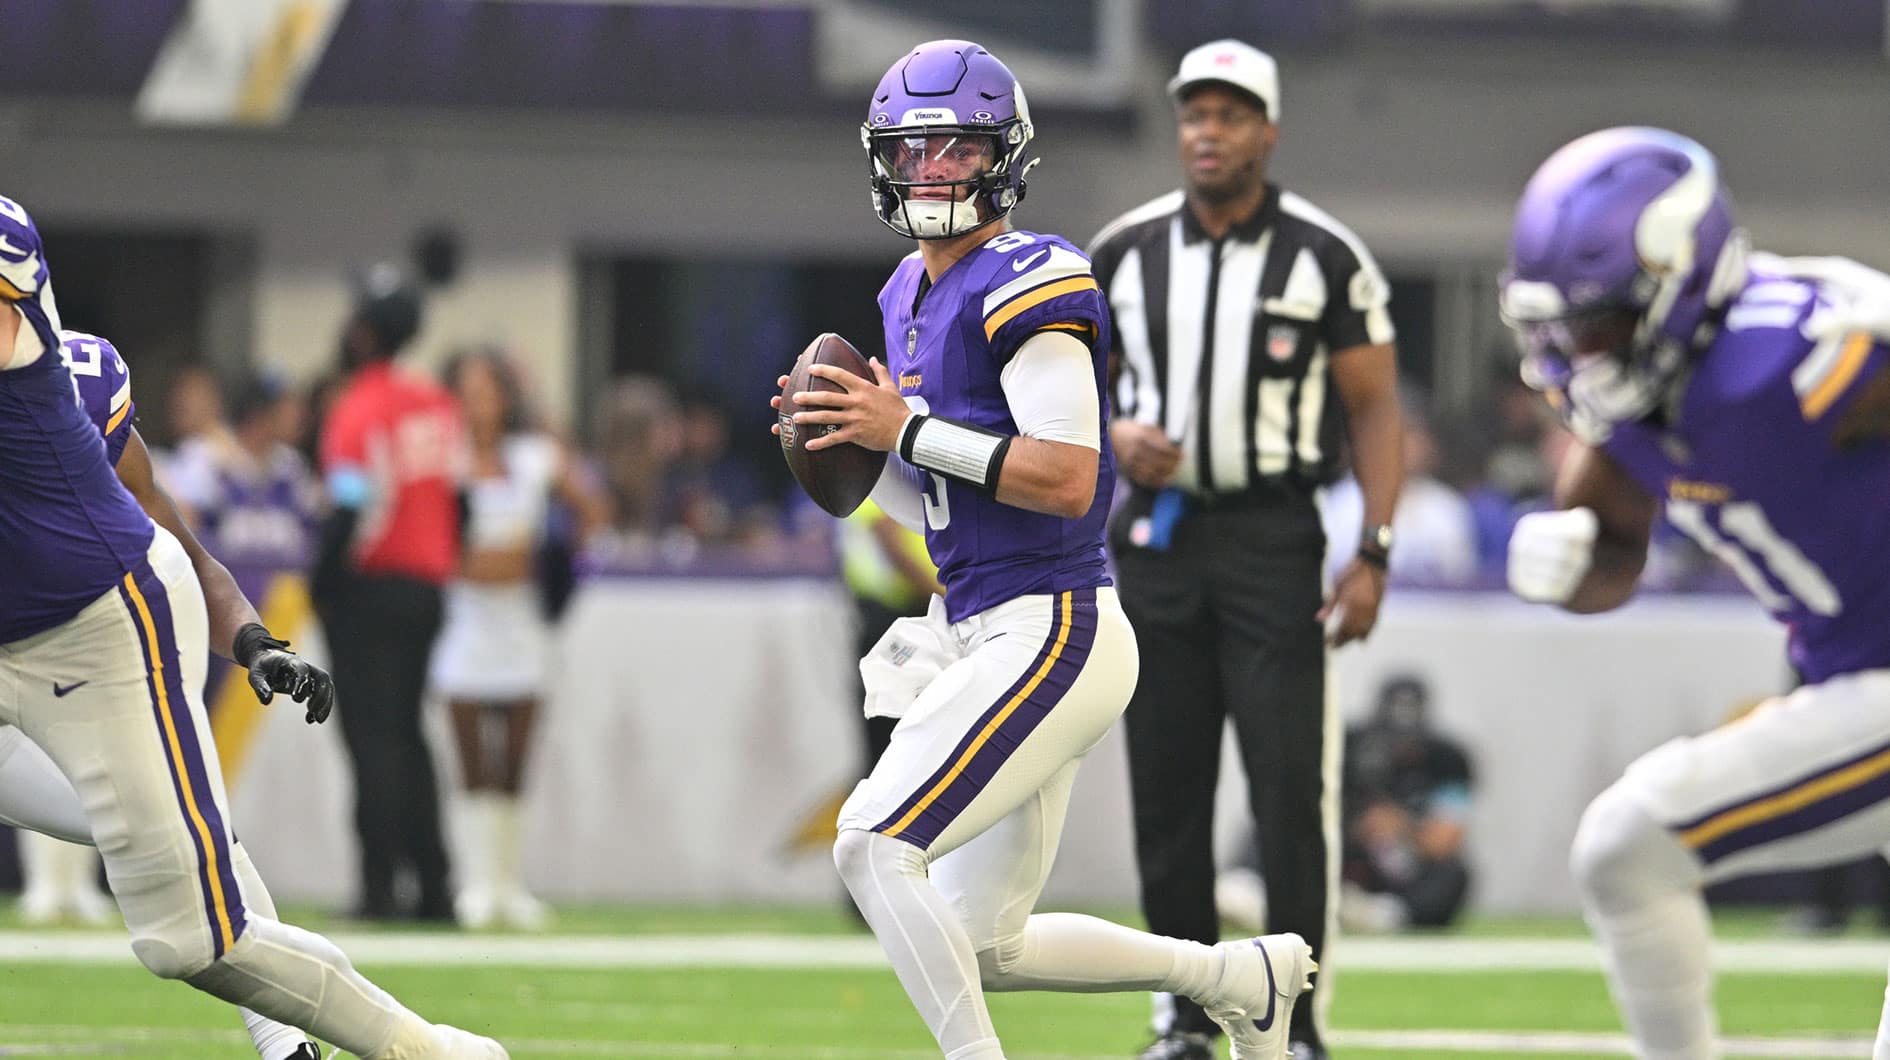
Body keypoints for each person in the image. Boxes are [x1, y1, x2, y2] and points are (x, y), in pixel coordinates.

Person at [772, 40, 1313, 1060]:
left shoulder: (1033, 273)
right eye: (914, 149)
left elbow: (1068, 475)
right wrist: (854, 441)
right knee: (985, 943)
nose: (933, 170)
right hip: (986, 626)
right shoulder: (905, 289)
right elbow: (931, 487)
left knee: (872, 843)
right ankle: (1240, 977)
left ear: (1004, 155)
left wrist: (903, 429)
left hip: (1055, 623)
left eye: (957, 147)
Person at [0, 200, 505, 1058]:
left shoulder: (62, 348)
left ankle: (422, 1050)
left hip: (95, 630)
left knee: (187, 936)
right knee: (201, 855)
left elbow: (170, 533)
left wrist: (251, 638)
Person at [1499, 127, 1890, 1059]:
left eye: (1600, 324)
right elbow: (1613, 558)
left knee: (1627, 847)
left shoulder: (1803, 356)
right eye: (1564, 330)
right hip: (1853, 675)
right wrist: (1568, 565)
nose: (1579, 354)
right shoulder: (1632, 408)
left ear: (1679, 286)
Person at [1086, 39, 1405, 1060]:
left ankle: (1294, 1018)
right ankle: (1182, 1015)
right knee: (1166, 792)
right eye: (1194, 115)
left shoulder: (1323, 252)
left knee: (1286, 794)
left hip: (1274, 537)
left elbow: (1375, 408)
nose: (1208, 132)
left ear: (1268, 130)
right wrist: (1110, 435)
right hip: (1157, 540)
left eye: (1230, 115)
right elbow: (1055, 390)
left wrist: (1375, 549)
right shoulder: (1122, 252)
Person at [431, 347, 605, 930]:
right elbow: (446, 552)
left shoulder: (533, 458)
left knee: (515, 765)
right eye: (467, 391)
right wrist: (496, 561)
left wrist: (555, 563)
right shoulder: (444, 461)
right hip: (464, 626)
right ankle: (476, 883)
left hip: (523, 627)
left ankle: (509, 884)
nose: (477, 403)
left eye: (489, 391)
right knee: (472, 762)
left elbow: (591, 505)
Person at [312, 264, 463, 922]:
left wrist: (324, 586)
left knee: (371, 740)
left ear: (365, 333)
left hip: (369, 589)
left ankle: (379, 886)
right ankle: (433, 886)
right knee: (409, 735)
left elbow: (348, 508)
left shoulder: (359, 407)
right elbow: (461, 502)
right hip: (427, 590)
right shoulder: (438, 405)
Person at [1338, 674, 1473, 932]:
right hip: (1348, 854)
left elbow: (1445, 839)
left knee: (1453, 873)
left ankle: (1385, 915)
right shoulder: (1348, 747)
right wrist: (1358, 826)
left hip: (1404, 862)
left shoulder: (1449, 760)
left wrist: (1401, 827)